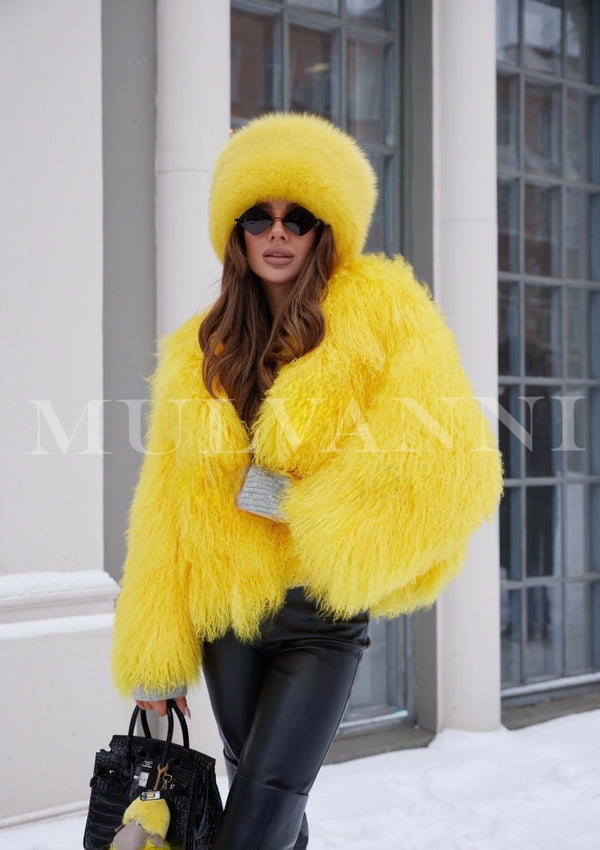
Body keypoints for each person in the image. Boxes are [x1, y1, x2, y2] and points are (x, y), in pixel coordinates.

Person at [111, 112, 503, 849]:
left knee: (265, 800)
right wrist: (154, 655)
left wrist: (318, 511)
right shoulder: (200, 350)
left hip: (321, 618)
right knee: (260, 797)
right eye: (259, 215)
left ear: (327, 229)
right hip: (229, 614)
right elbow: (163, 509)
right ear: (238, 232)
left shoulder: (386, 316)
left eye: (300, 217)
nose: (279, 232)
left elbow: (453, 462)